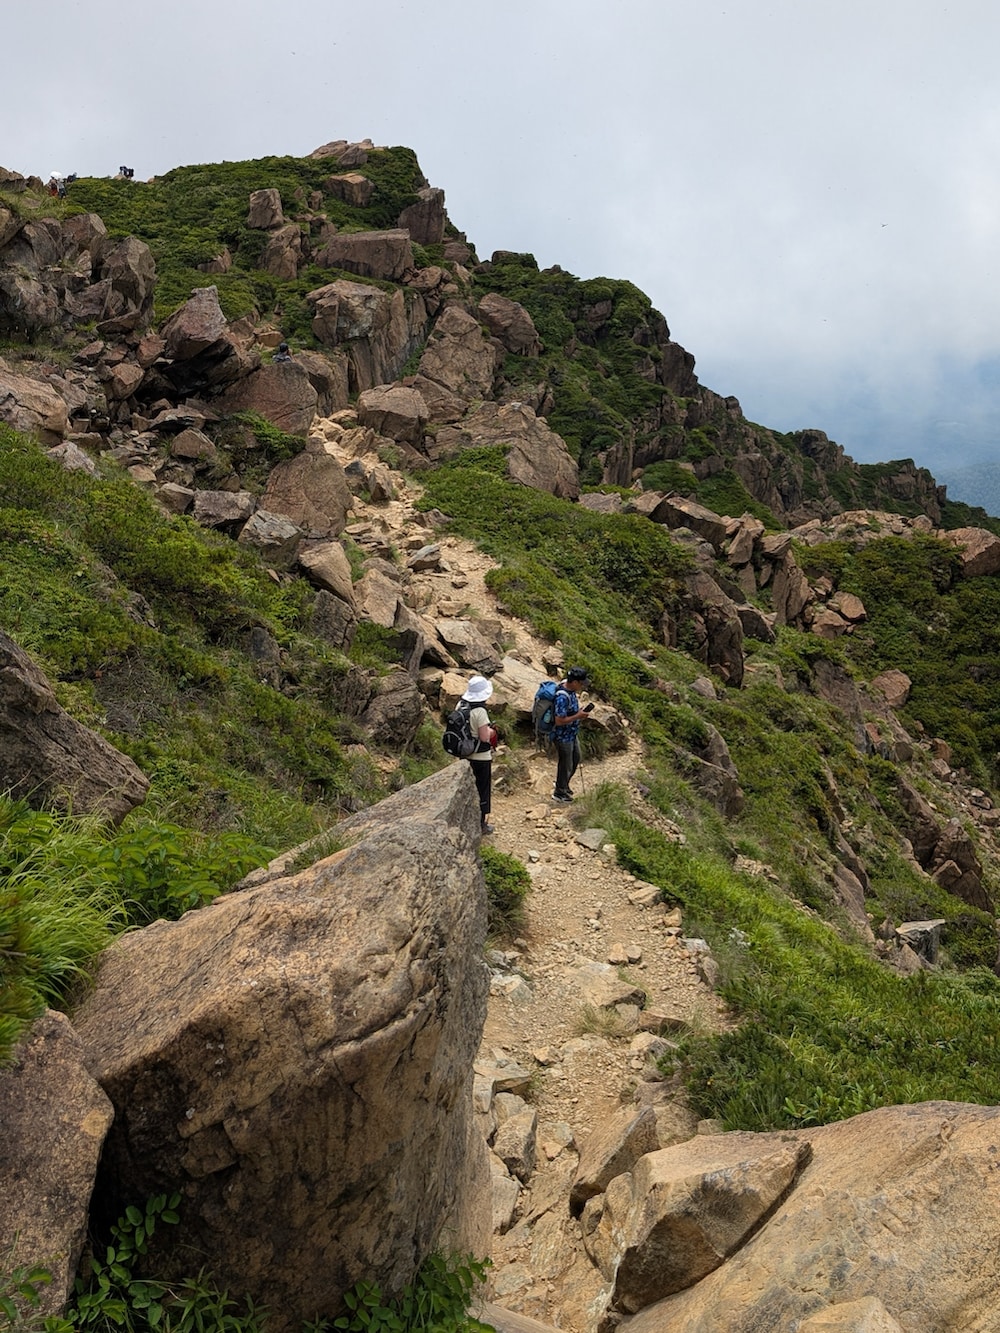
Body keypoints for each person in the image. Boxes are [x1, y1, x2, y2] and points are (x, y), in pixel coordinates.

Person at [461, 674, 496, 834]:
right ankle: (481, 824)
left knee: (467, 789)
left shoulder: (461, 705)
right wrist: (492, 731)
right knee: (482, 790)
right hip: (481, 757)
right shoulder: (480, 711)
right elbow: (484, 737)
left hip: (464, 754)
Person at [552, 666, 591, 803]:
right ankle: (559, 793)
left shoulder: (569, 689)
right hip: (562, 737)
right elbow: (559, 720)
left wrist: (578, 713)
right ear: (574, 682)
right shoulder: (562, 697)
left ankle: (563, 784)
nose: (582, 686)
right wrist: (578, 716)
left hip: (571, 734)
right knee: (566, 764)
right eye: (581, 683)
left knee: (575, 758)